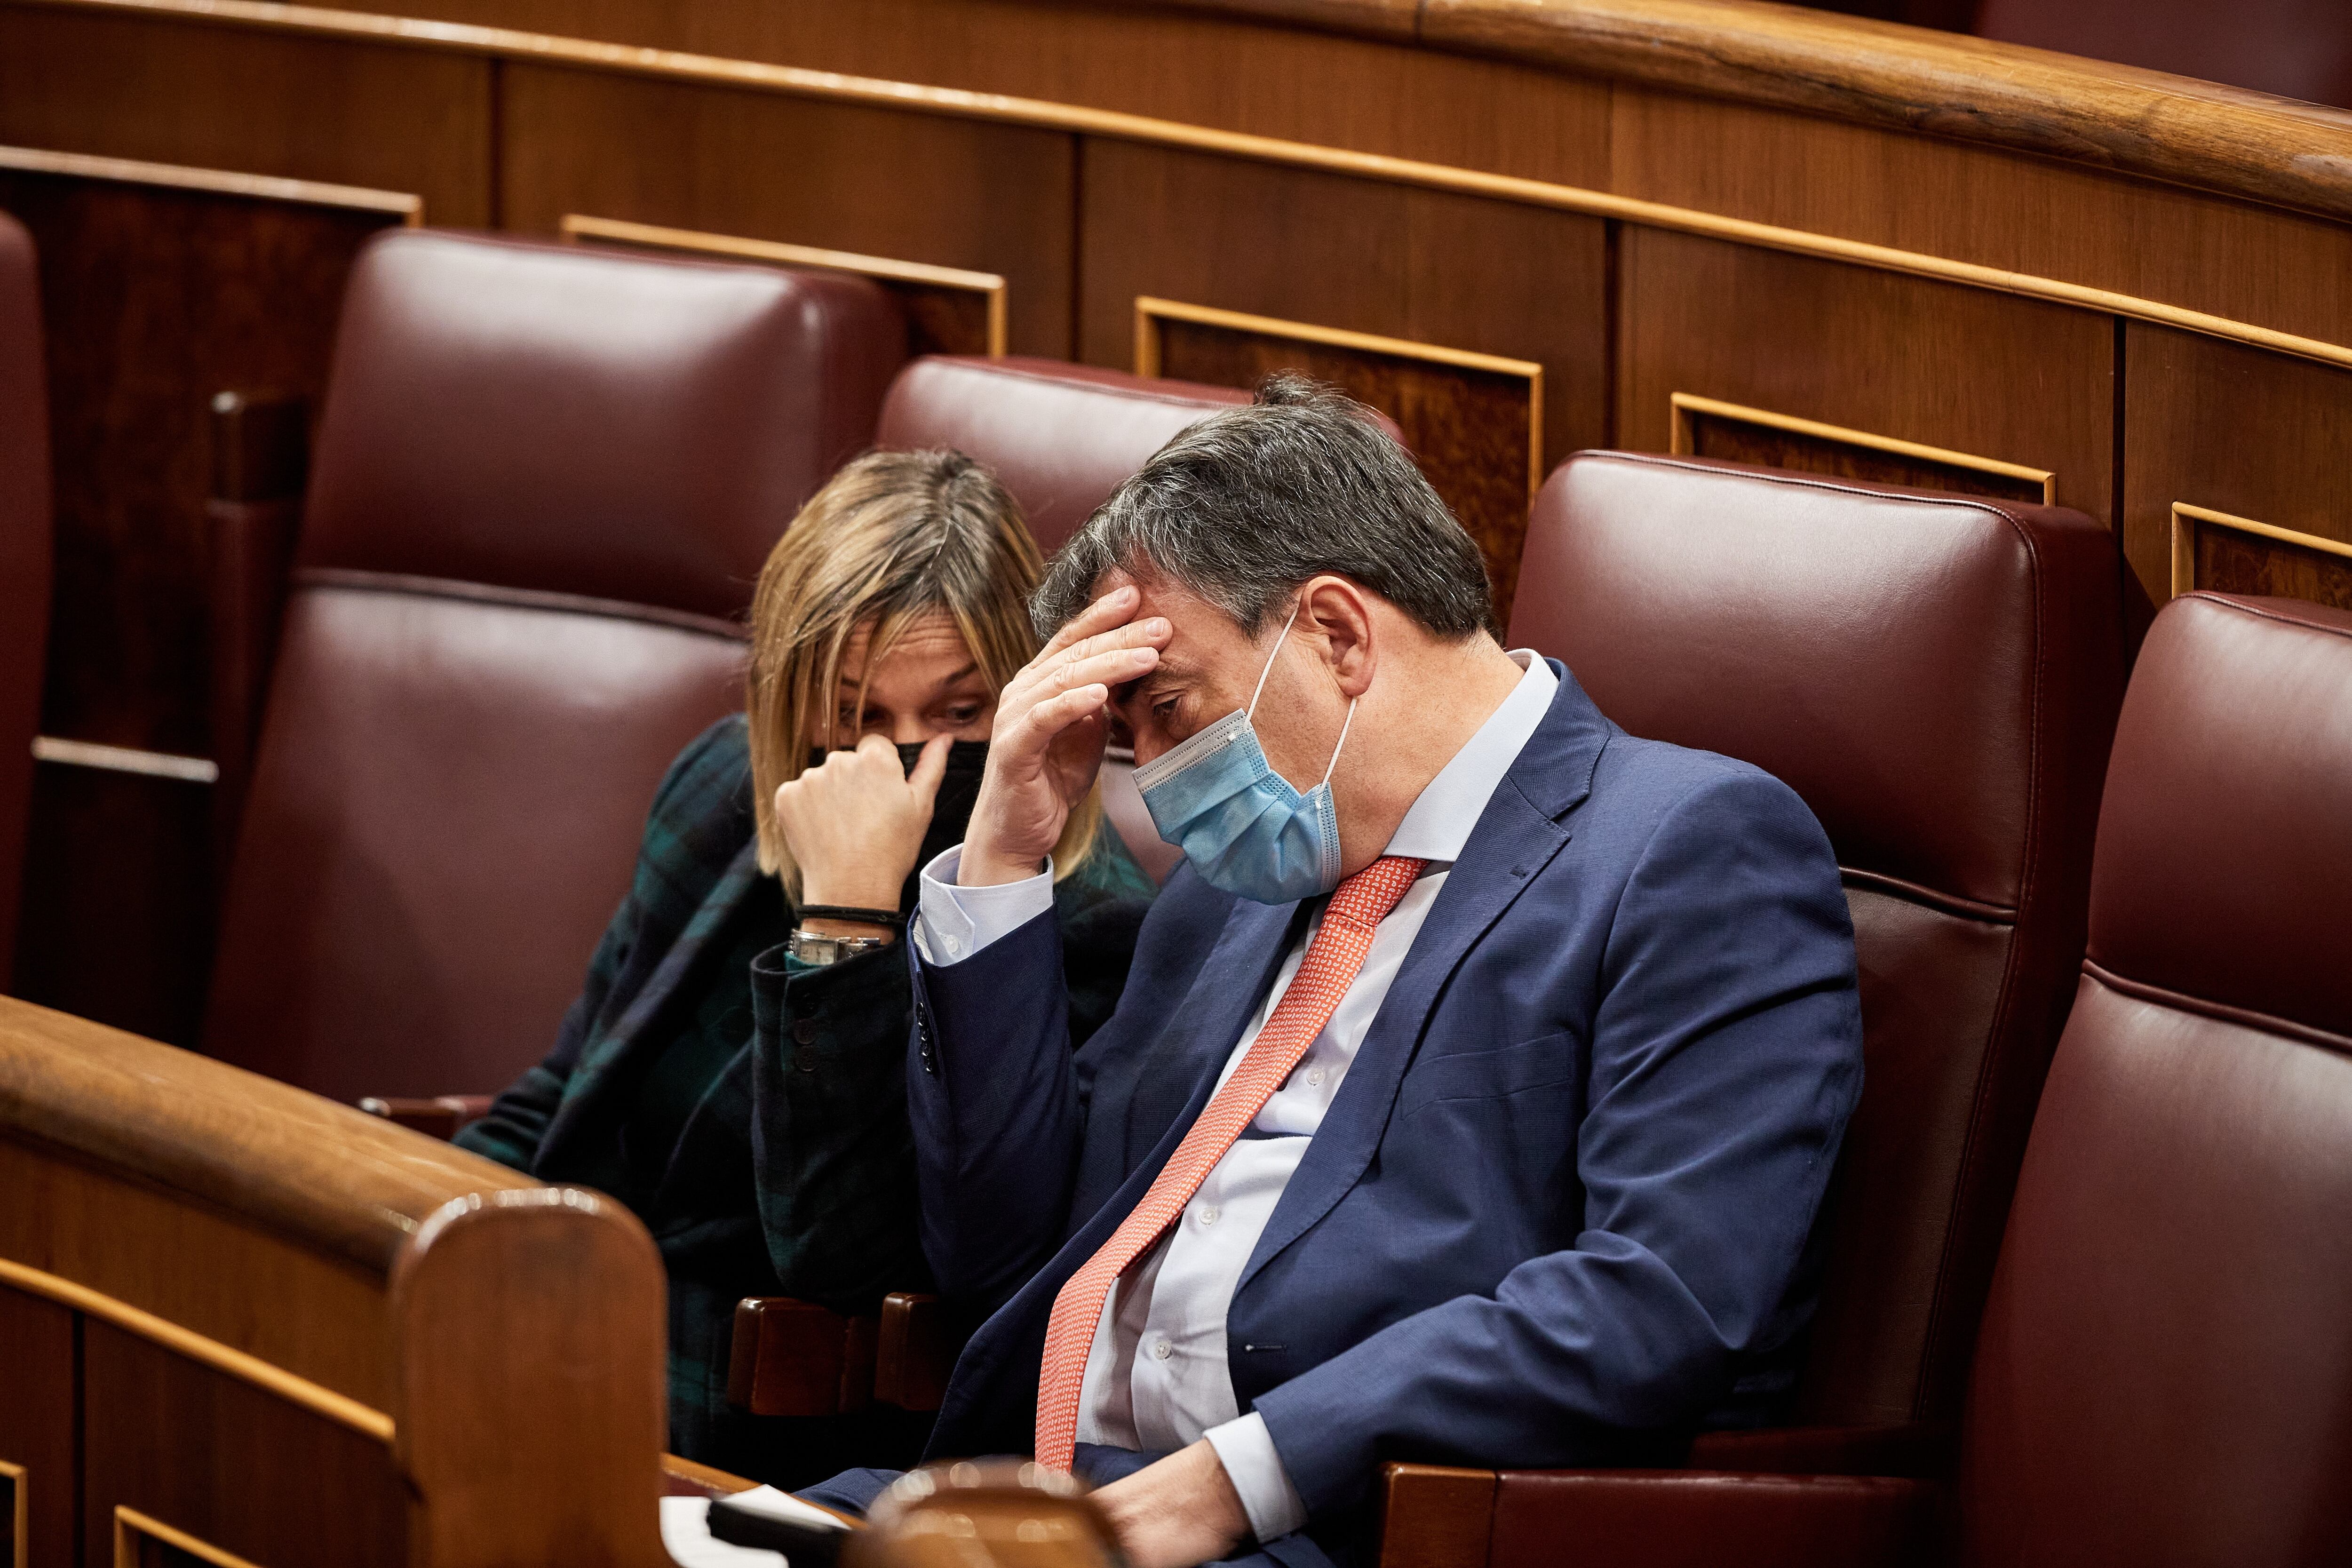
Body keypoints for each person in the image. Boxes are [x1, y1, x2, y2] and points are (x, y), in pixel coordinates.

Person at [809, 377, 1865, 1568]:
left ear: (1337, 634)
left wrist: (1228, 1480)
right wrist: (1003, 856)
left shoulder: (1687, 847)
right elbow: (1003, 1255)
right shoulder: (1232, 888)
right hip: (1020, 1513)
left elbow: (1657, 1296)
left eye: (1167, 709)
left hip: (1330, 1529)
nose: (1148, 777)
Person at [455, 449, 1159, 1486]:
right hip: (569, 1318)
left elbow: (839, 1261)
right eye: (855, 713)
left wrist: (845, 926)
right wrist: (419, 1237)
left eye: (959, 716)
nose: (898, 766)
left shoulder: (1076, 920)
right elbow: (571, 1095)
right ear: (793, 703)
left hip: (758, 1413)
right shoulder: (724, 785)